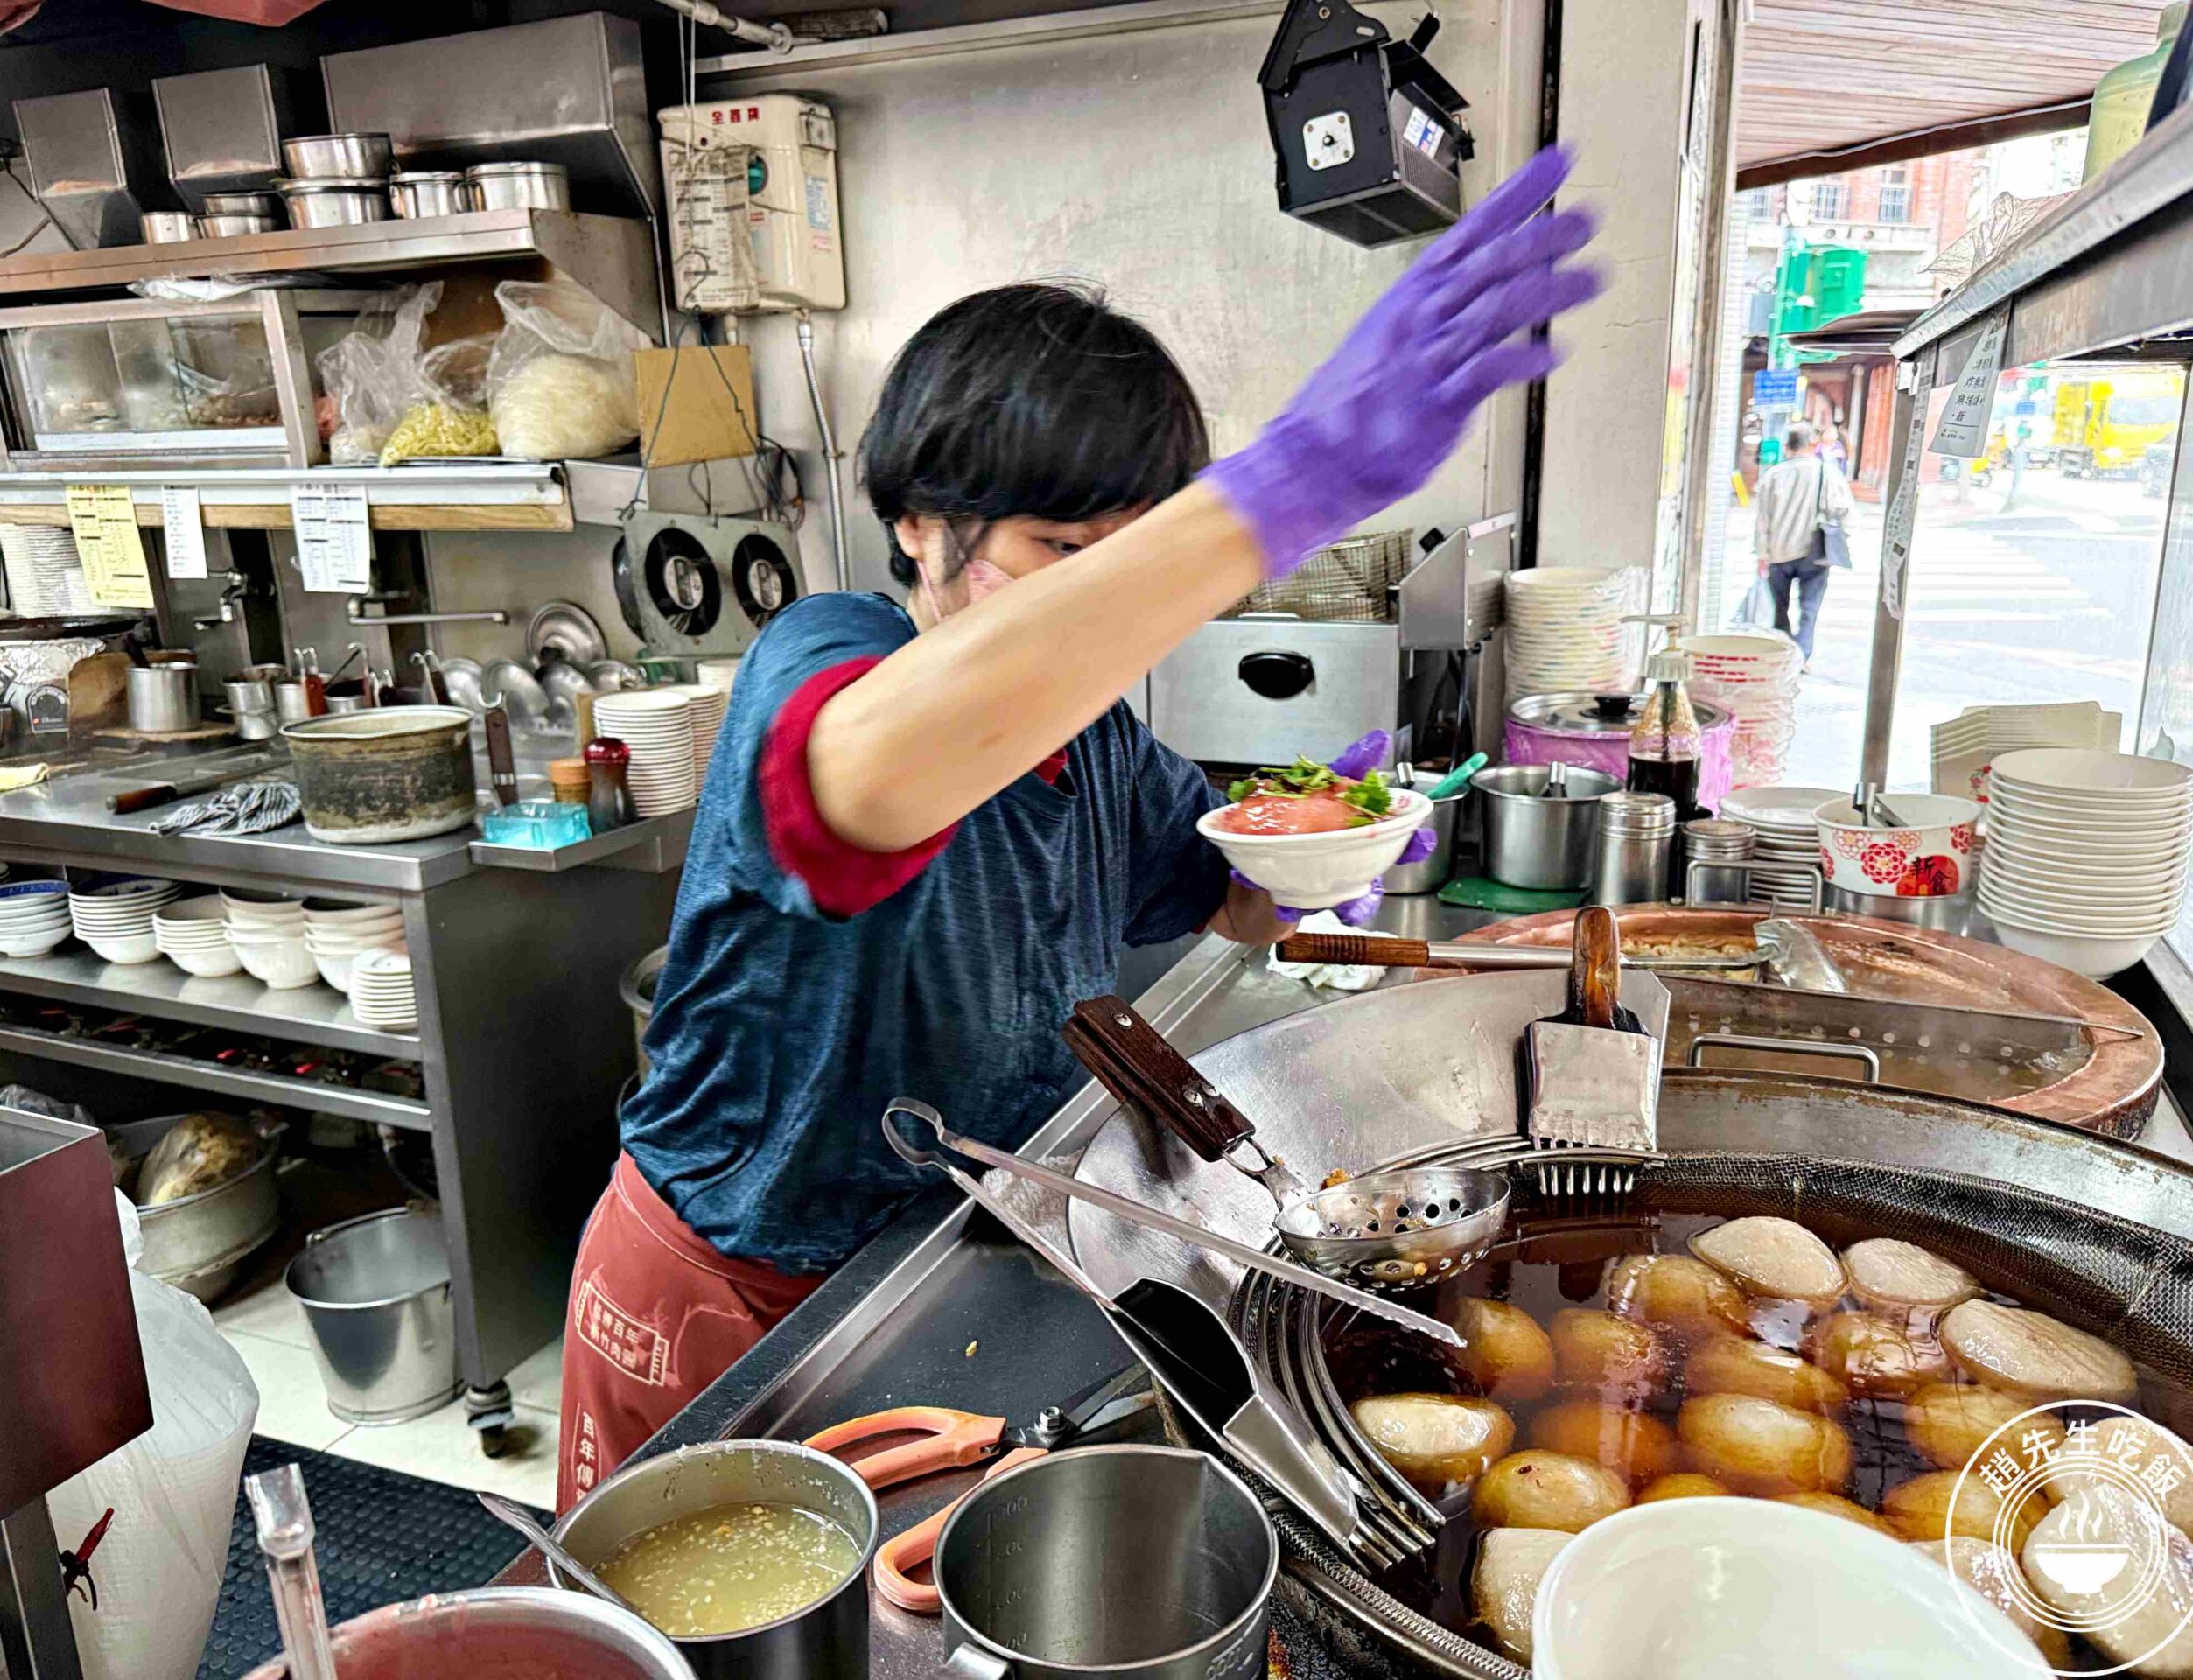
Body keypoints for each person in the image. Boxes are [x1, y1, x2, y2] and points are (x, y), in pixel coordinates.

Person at [553, 147, 1602, 1508]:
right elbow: (861, 787)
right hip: (733, 1287)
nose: (1101, 602)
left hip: (935, 1266)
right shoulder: (828, 656)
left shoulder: (1095, 736)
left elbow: (1224, 894)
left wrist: (1311, 851)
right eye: (1062, 551)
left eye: (1133, 551)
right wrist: (1285, 487)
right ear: (919, 525)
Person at [1754, 418, 1853, 664]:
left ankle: (1784, 654)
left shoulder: (1773, 475)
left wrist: (1762, 554)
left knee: (1779, 608)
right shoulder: (1827, 473)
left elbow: (1763, 519)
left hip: (1779, 553)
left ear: (1787, 446)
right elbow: (1845, 511)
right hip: (1815, 553)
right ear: (1812, 444)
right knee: (1809, 609)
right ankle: (1802, 655)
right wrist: (1839, 539)